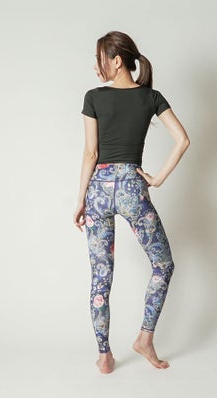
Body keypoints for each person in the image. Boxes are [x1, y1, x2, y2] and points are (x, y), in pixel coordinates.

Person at [73, 31, 190, 374]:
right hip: (131, 189)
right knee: (163, 265)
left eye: (100, 60)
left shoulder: (93, 97)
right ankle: (144, 339)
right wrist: (157, 178)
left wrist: (80, 199)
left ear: (117, 60)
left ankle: (104, 356)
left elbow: (91, 153)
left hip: (97, 191)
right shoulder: (151, 97)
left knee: (101, 277)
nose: (97, 67)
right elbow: (182, 139)